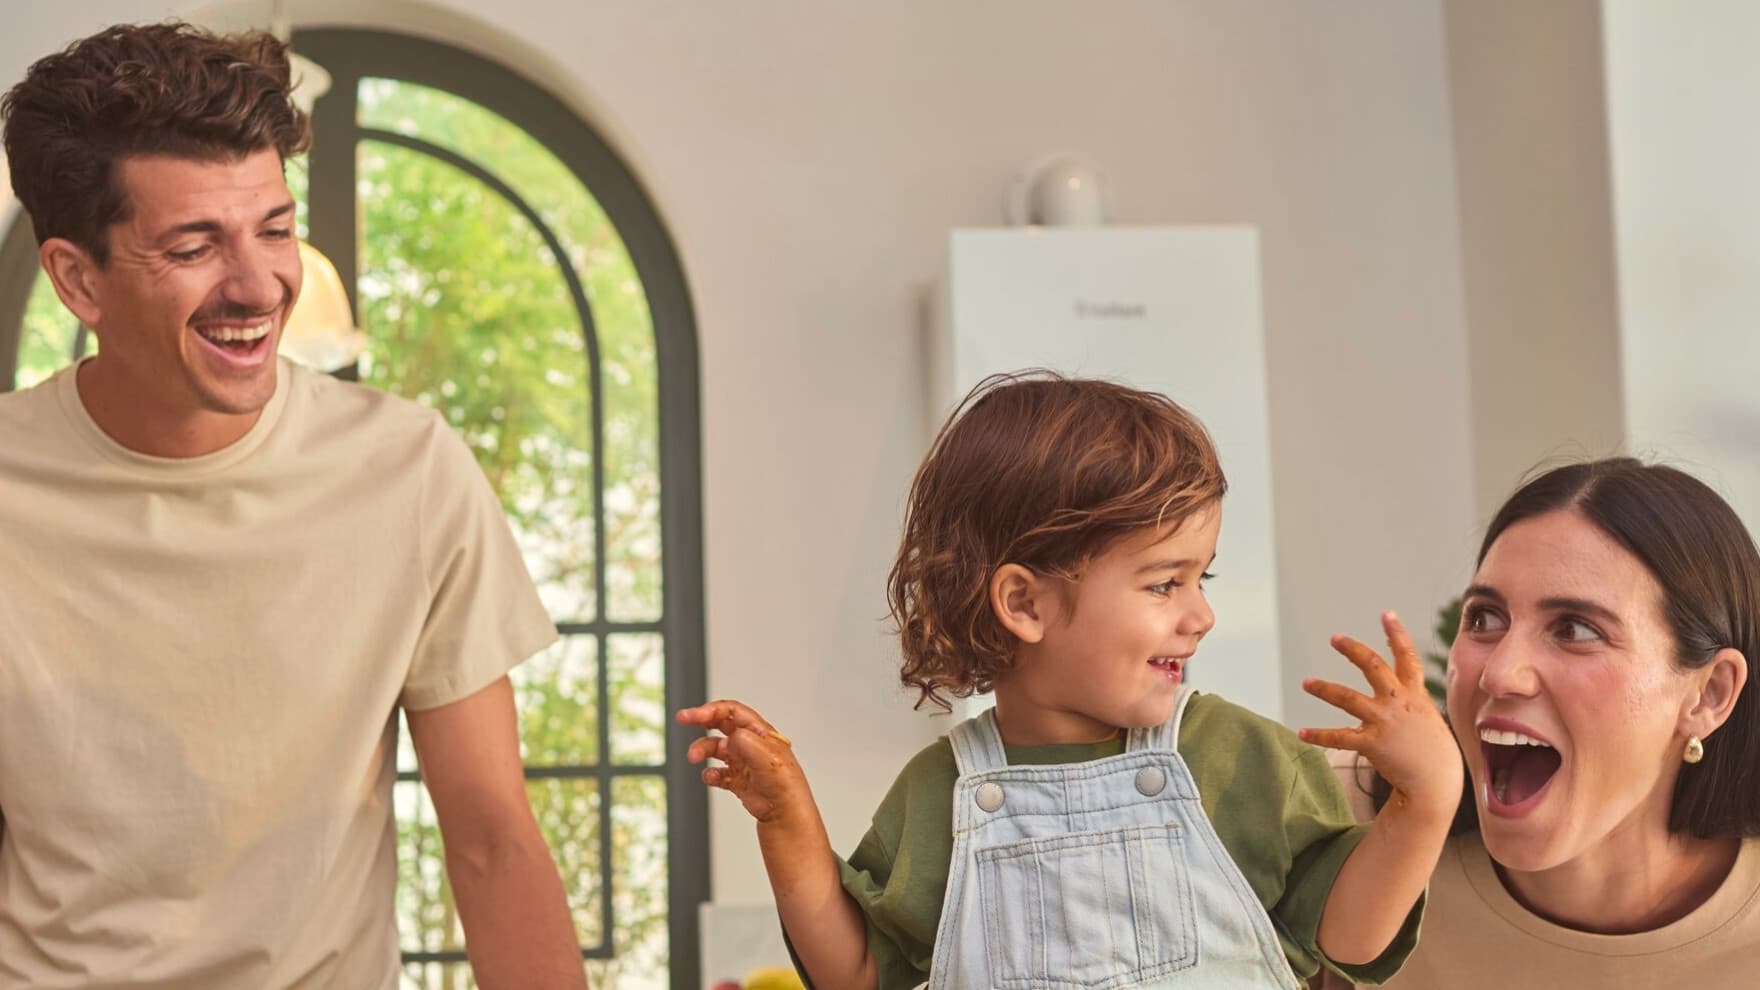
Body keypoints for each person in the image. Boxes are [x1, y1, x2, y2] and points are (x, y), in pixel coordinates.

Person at [0, 23, 587, 989]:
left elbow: (491, 838)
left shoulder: (406, 471)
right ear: (76, 279)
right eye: (195, 246)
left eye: (275, 229)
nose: (258, 284)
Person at [679, 373, 1462, 989]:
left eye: (1203, 579)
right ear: (1026, 604)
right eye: (1165, 584)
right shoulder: (942, 794)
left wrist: (1426, 800)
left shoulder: (1240, 757)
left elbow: (1349, 940)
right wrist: (786, 819)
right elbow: (854, 973)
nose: (1201, 616)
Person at [1323, 458, 1760, 988]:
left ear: (1709, 694)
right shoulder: (1335, 819)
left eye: (1575, 630)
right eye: (1485, 618)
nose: (1499, 674)